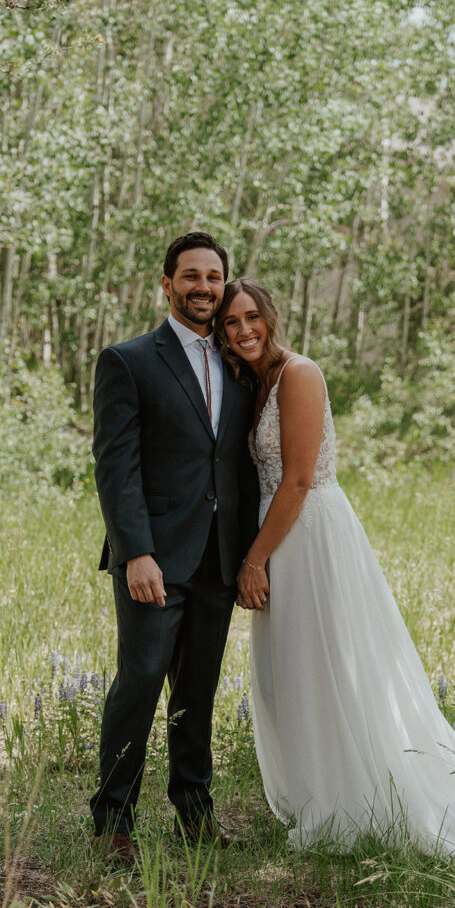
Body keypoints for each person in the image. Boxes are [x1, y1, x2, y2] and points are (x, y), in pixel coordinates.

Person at [215, 277, 455, 855]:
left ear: (269, 315)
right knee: (292, 673)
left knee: (333, 667)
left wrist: (254, 560)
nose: (241, 330)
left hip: (309, 534)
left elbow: (297, 478)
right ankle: (330, 795)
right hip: (279, 537)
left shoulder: (300, 375)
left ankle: (367, 800)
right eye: (229, 323)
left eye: (249, 317)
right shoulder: (256, 383)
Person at [91, 234, 258, 861]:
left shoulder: (242, 363)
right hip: (154, 559)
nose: (204, 288)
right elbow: (116, 467)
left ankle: (194, 811)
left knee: (199, 690)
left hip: (218, 558)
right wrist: (136, 551)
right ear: (167, 284)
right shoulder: (129, 361)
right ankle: (113, 822)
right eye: (191, 276)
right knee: (139, 682)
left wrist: (249, 557)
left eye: (214, 277)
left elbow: (238, 464)